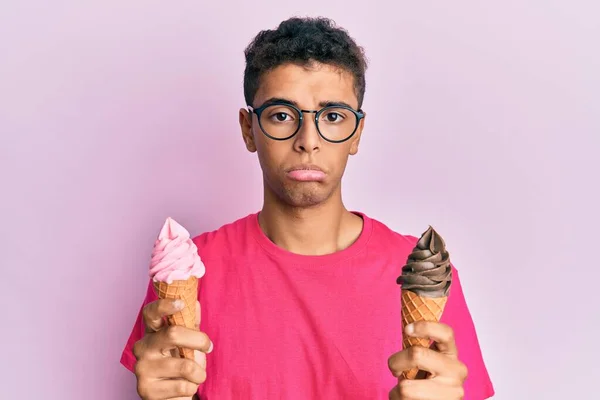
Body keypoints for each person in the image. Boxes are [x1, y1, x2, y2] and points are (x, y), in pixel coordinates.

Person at [120, 16, 494, 400]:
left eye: (333, 117)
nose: (308, 140)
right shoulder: (186, 268)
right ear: (249, 129)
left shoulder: (423, 273)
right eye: (282, 115)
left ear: (357, 134)